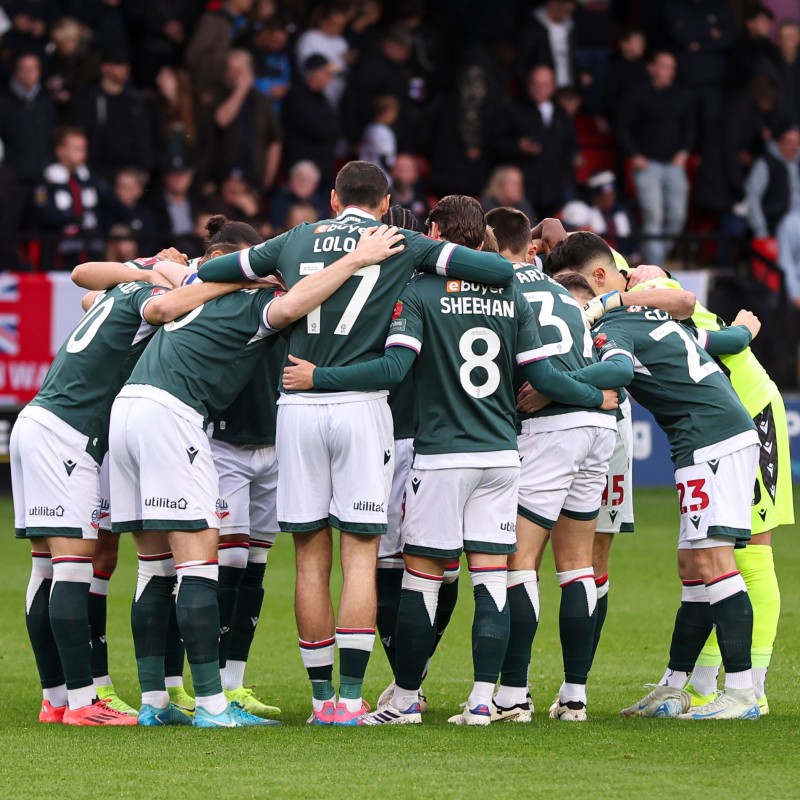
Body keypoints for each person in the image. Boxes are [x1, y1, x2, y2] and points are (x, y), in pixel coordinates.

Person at [197, 161, 520, 726]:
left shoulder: (294, 239)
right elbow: (495, 268)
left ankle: (322, 704)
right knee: (361, 556)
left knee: (308, 560)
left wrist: (266, 278)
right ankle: (351, 698)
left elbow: (218, 268)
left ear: (331, 199)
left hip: (297, 404)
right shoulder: (403, 241)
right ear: (385, 201)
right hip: (363, 407)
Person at [280, 195, 617, 726]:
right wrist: (591, 392)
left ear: (433, 231)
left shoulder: (418, 292)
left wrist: (318, 378)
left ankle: (407, 699)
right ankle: (485, 701)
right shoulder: (510, 292)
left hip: (442, 453)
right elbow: (546, 379)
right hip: (503, 454)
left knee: (422, 577)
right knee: (492, 578)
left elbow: (395, 368)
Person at [110, 222, 406, 728]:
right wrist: (355, 259)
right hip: (172, 415)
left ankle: (155, 703)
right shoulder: (250, 305)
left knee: (152, 568)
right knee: (199, 563)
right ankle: (212, 706)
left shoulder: (194, 293)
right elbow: (291, 307)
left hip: (127, 409)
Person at [12, 254, 241, 726]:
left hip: (38, 422)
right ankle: (81, 703)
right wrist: (220, 285)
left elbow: (84, 286)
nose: (179, 259)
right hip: (67, 433)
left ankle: (56, 699)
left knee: (45, 569)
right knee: (71, 569)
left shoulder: (115, 294)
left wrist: (144, 270)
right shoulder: (146, 296)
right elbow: (159, 308)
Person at [547, 232, 765, 720]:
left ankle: (744, 692)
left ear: (594, 288)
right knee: (693, 571)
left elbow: (619, 371)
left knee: (714, 563)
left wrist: (553, 383)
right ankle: (674, 685)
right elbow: (716, 340)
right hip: (712, 437)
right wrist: (745, 333)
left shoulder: (611, 328)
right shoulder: (654, 312)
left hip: (710, 439)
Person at [616, 50, 694, 265]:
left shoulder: (681, 96)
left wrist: (684, 152)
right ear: (652, 68)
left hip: (674, 164)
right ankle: (655, 267)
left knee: (677, 217)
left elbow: (691, 128)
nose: (670, 72)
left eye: (672, 67)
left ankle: (653, 258)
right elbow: (622, 126)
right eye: (665, 66)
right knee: (654, 217)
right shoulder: (638, 94)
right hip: (648, 165)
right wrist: (633, 155)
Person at [499, 65, 577, 219]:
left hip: (554, 191)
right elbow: (496, 142)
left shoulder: (562, 115)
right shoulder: (515, 110)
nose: (540, 89)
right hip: (523, 192)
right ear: (529, 85)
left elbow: (570, 147)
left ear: (553, 87)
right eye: (536, 84)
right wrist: (518, 145)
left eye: (545, 84)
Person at [29, 126, 103, 270]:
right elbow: (43, 216)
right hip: (58, 255)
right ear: (60, 150)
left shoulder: (89, 179)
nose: (82, 154)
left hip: (90, 252)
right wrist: (73, 220)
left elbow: (107, 205)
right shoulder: (47, 180)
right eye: (76, 149)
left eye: (84, 148)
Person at [73, 52, 154, 179]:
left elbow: (143, 136)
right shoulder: (91, 98)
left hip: (131, 172)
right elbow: (83, 132)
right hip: (99, 171)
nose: (125, 70)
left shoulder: (135, 100)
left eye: (126, 66)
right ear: (105, 68)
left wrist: (145, 167)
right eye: (119, 66)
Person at [213, 49, 283, 193]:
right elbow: (221, 120)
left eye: (238, 70)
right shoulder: (218, 95)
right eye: (230, 69)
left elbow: (274, 141)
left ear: (249, 72)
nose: (233, 74)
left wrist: (267, 181)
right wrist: (241, 90)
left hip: (253, 180)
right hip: (221, 181)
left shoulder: (262, 101)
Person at [281, 54, 343, 191]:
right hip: (302, 168)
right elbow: (319, 129)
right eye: (326, 73)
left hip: (323, 167)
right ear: (313, 73)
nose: (330, 77)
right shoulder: (296, 96)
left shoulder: (321, 97)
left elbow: (336, 128)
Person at [0, 52, 55, 190]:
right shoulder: (4, 103)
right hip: (12, 179)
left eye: (34, 69)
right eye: (26, 69)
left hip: (43, 175)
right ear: (17, 72)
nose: (31, 74)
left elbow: (52, 135)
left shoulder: (45, 102)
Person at [745, 122, 800, 238]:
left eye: (797, 143)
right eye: (789, 142)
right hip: (772, 227)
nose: (793, 147)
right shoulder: (765, 163)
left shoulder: (797, 164)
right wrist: (760, 229)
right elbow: (753, 196)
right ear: (779, 142)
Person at [268, 160, 328, 229]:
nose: (302, 183)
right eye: (299, 178)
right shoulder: (279, 201)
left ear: (315, 185)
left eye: (307, 180)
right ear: (291, 180)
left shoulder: (321, 204)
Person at [359, 94, 400, 172]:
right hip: (381, 177)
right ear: (386, 112)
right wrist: (392, 172)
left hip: (365, 174)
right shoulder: (384, 132)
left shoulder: (369, 129)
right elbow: (384, 158)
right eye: (394, 111)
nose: (395, 115)